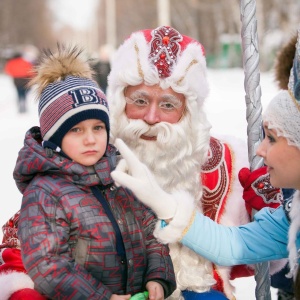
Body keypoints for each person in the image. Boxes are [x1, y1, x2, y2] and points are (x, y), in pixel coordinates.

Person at [110, 29, 300, 299]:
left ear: (189, 112)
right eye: (139, 101)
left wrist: (263, 208)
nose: (151, 118)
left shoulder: (229, 162)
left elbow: (278, 271)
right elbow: (233, 245)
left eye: (167, 104)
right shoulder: (87, 157)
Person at [12, 45, 176, 299]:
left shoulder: (120, 174)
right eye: (76, 130)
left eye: (98, 127)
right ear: (54, 137)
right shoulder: (45, 192)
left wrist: (158, 276)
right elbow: (48, 264)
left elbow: (151, 230)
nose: (90, 139)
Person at [4, 45, 37, 113]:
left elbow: (7, 70)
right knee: (25, 91)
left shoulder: (11, 62)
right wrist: (32, 77)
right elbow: (30, 69)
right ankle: (23, 102)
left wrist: (14, 74)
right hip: (24, 78)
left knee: (18, 92)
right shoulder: (24, 61)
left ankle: (20, 103)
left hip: (16, 79)